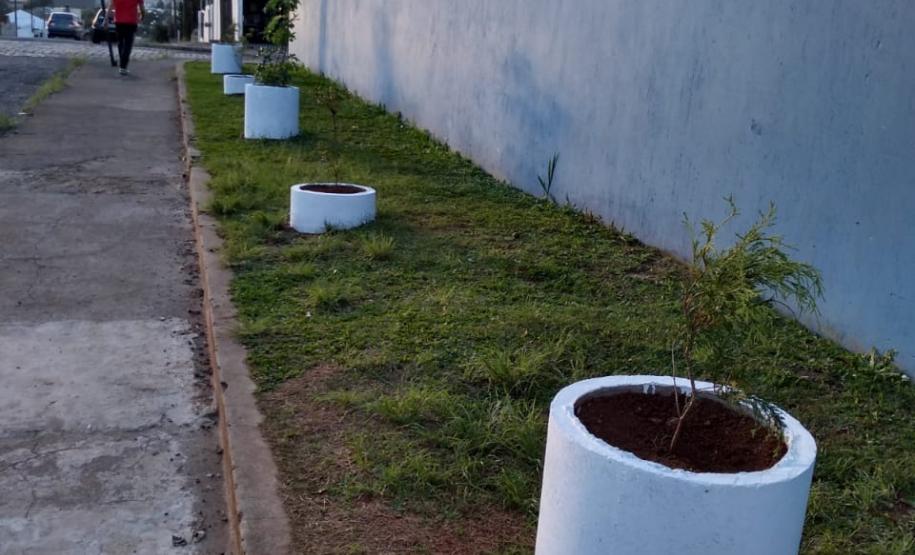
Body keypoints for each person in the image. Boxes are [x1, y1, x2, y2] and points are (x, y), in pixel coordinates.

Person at [109, 0, 145, 75]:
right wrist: (142, 16)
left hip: (119, 21)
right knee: (128, 45)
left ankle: (122, 64)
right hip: (131, 22)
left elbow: (111, 6)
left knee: (120, 43)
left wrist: (107, 18)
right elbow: (142, 8)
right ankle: (123, 66)